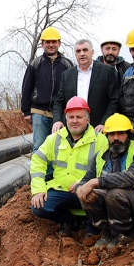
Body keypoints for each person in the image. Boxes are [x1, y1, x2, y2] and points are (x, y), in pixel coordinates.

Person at [74, 113, 134, 248]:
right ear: (107, 136)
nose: (116, 138)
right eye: (111, 134)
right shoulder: (101, 156)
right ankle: (109, 231)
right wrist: (80, 189)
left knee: (115, 193)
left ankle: (126, 233)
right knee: (86, 195)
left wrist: (96, 182)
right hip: (116, 208)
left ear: (128, 134)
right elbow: (86, 179)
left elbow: (131, 176)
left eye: (120, 133)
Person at [30, 96, 108, 238]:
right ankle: (68, 221)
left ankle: (92, 227)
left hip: (88, 191)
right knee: (38, 207)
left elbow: (107, 169)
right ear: (66, 119)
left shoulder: (100, 140)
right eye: (71, 117)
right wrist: (38, 189)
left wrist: (85, 183)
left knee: (106, 201)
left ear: (88, 120)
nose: (74, 121)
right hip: (62, 190)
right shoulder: (54, 138)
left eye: (79, 117)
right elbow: (37, 160)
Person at [21, 26, 74, 153]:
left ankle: (55, 173)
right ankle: (38, 173)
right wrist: (26, 111)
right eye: (48, 42)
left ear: (59, 43)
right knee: (39, 146)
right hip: (39, 112)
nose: (51, 45)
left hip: (60, 113)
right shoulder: (35, 64)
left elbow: (72, 89)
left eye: (54, 42)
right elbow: (26, 87)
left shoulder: (67, 65)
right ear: (42, 44)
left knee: (59, 146)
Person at [52, 39, 119, 133]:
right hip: (75, 128)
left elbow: (114, 100)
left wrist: (104, 122)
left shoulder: (107, 71)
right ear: (75, 54)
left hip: (99, 128)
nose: (82, 54)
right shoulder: (67, 75)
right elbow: (59, 101)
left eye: (85, 50)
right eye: (78, 51)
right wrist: (57, 120)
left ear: (92, 52)